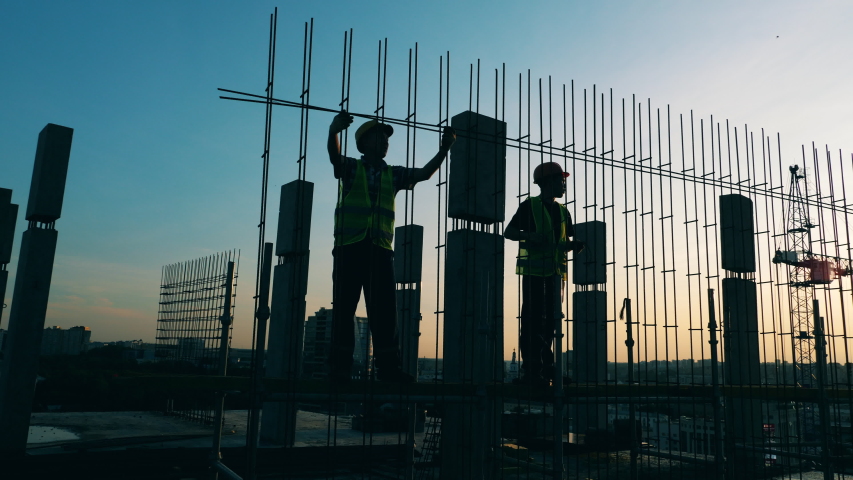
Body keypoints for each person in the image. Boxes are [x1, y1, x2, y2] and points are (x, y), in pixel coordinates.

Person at [327, 112, 456, 384]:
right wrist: (333, 132)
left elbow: (423, 174)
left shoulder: (392, 174)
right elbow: (335, 158)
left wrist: (444, 150)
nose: (385, 142)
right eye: (379, 137)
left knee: (385, 314)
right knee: (343, 311)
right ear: (363, 143)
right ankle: (340, 370)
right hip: (350, 248)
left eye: (386, 139)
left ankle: (389, 370)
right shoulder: (353, 167)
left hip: (380, 250)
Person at [504, 162, 583, 386]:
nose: (564, 184)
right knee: (532, 321)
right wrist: (529, 235)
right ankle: (531, 371)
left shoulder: (563, 211)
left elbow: (563, 242)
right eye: (560, 180)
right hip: (534, 274)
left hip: (556, 275)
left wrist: (572, 245)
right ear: (546, 183)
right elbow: (509, 232)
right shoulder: (530, 206)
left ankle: (547, 369)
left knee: (551, 323)